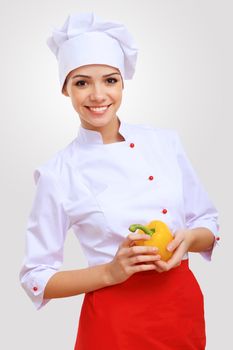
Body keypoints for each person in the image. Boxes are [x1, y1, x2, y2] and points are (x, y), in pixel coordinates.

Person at [20, 12, 219, 350]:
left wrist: (187, 240)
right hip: (116, 322)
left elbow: (207, 223)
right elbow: (36, 277)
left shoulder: (164, 143)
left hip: (181, 309)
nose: (98, 95)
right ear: (65, 89)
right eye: (82, 82)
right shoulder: (58, 173)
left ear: (122, 83)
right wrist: (110, 273)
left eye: (109, 80)